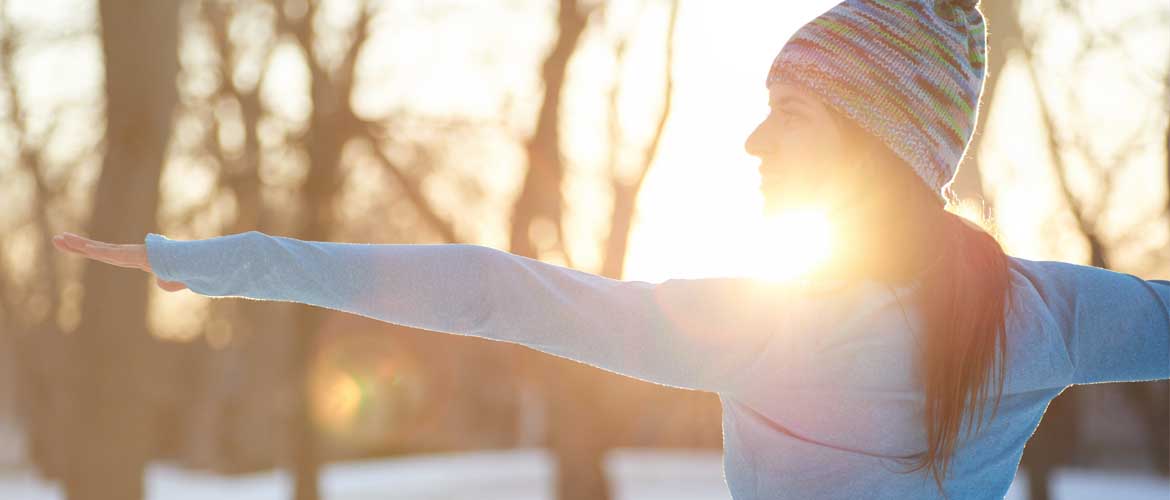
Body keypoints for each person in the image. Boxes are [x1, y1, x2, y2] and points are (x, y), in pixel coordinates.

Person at [52, 0, 1169, 498]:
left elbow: (493, 294)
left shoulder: (759, 331)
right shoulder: (1043, 315)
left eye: (791, 111)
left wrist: (205, 259)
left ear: (876, 145)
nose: (752, 137)